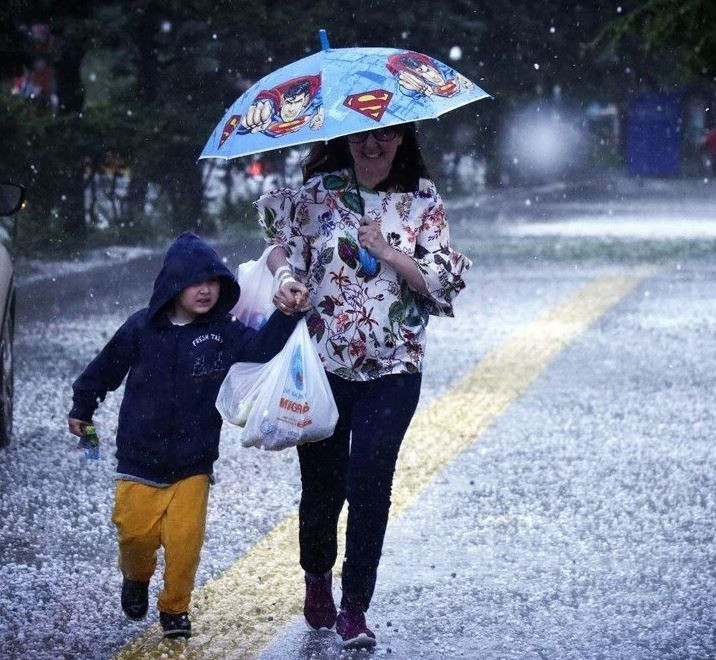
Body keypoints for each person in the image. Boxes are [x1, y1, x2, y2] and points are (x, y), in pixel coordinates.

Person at [256, 123, 470, 649]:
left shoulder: (421, 200)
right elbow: (277, 245)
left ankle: (355, 608)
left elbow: (443, 284)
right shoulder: (321, 193)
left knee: (371, 482)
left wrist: (391, 252)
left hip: (395, 367)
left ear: (402, 140)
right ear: (345, 141)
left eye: (386, 137)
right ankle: (316, 574)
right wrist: (286, 280)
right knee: (323, 484)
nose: (372, 147)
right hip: (324, 365)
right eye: (360, 138)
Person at [67, 232, 300, 640]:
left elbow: (262, 349)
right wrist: (83, 407)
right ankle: (137, 578)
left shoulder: (224, 332)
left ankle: (175, 608)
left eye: (212, 281)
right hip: (138, 460)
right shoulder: (141, 328)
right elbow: (104, 370)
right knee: (135, 534)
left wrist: (287, 314)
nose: (205, 289)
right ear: (173, 285)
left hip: (194, 463)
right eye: (195, 282)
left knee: (185, 543)